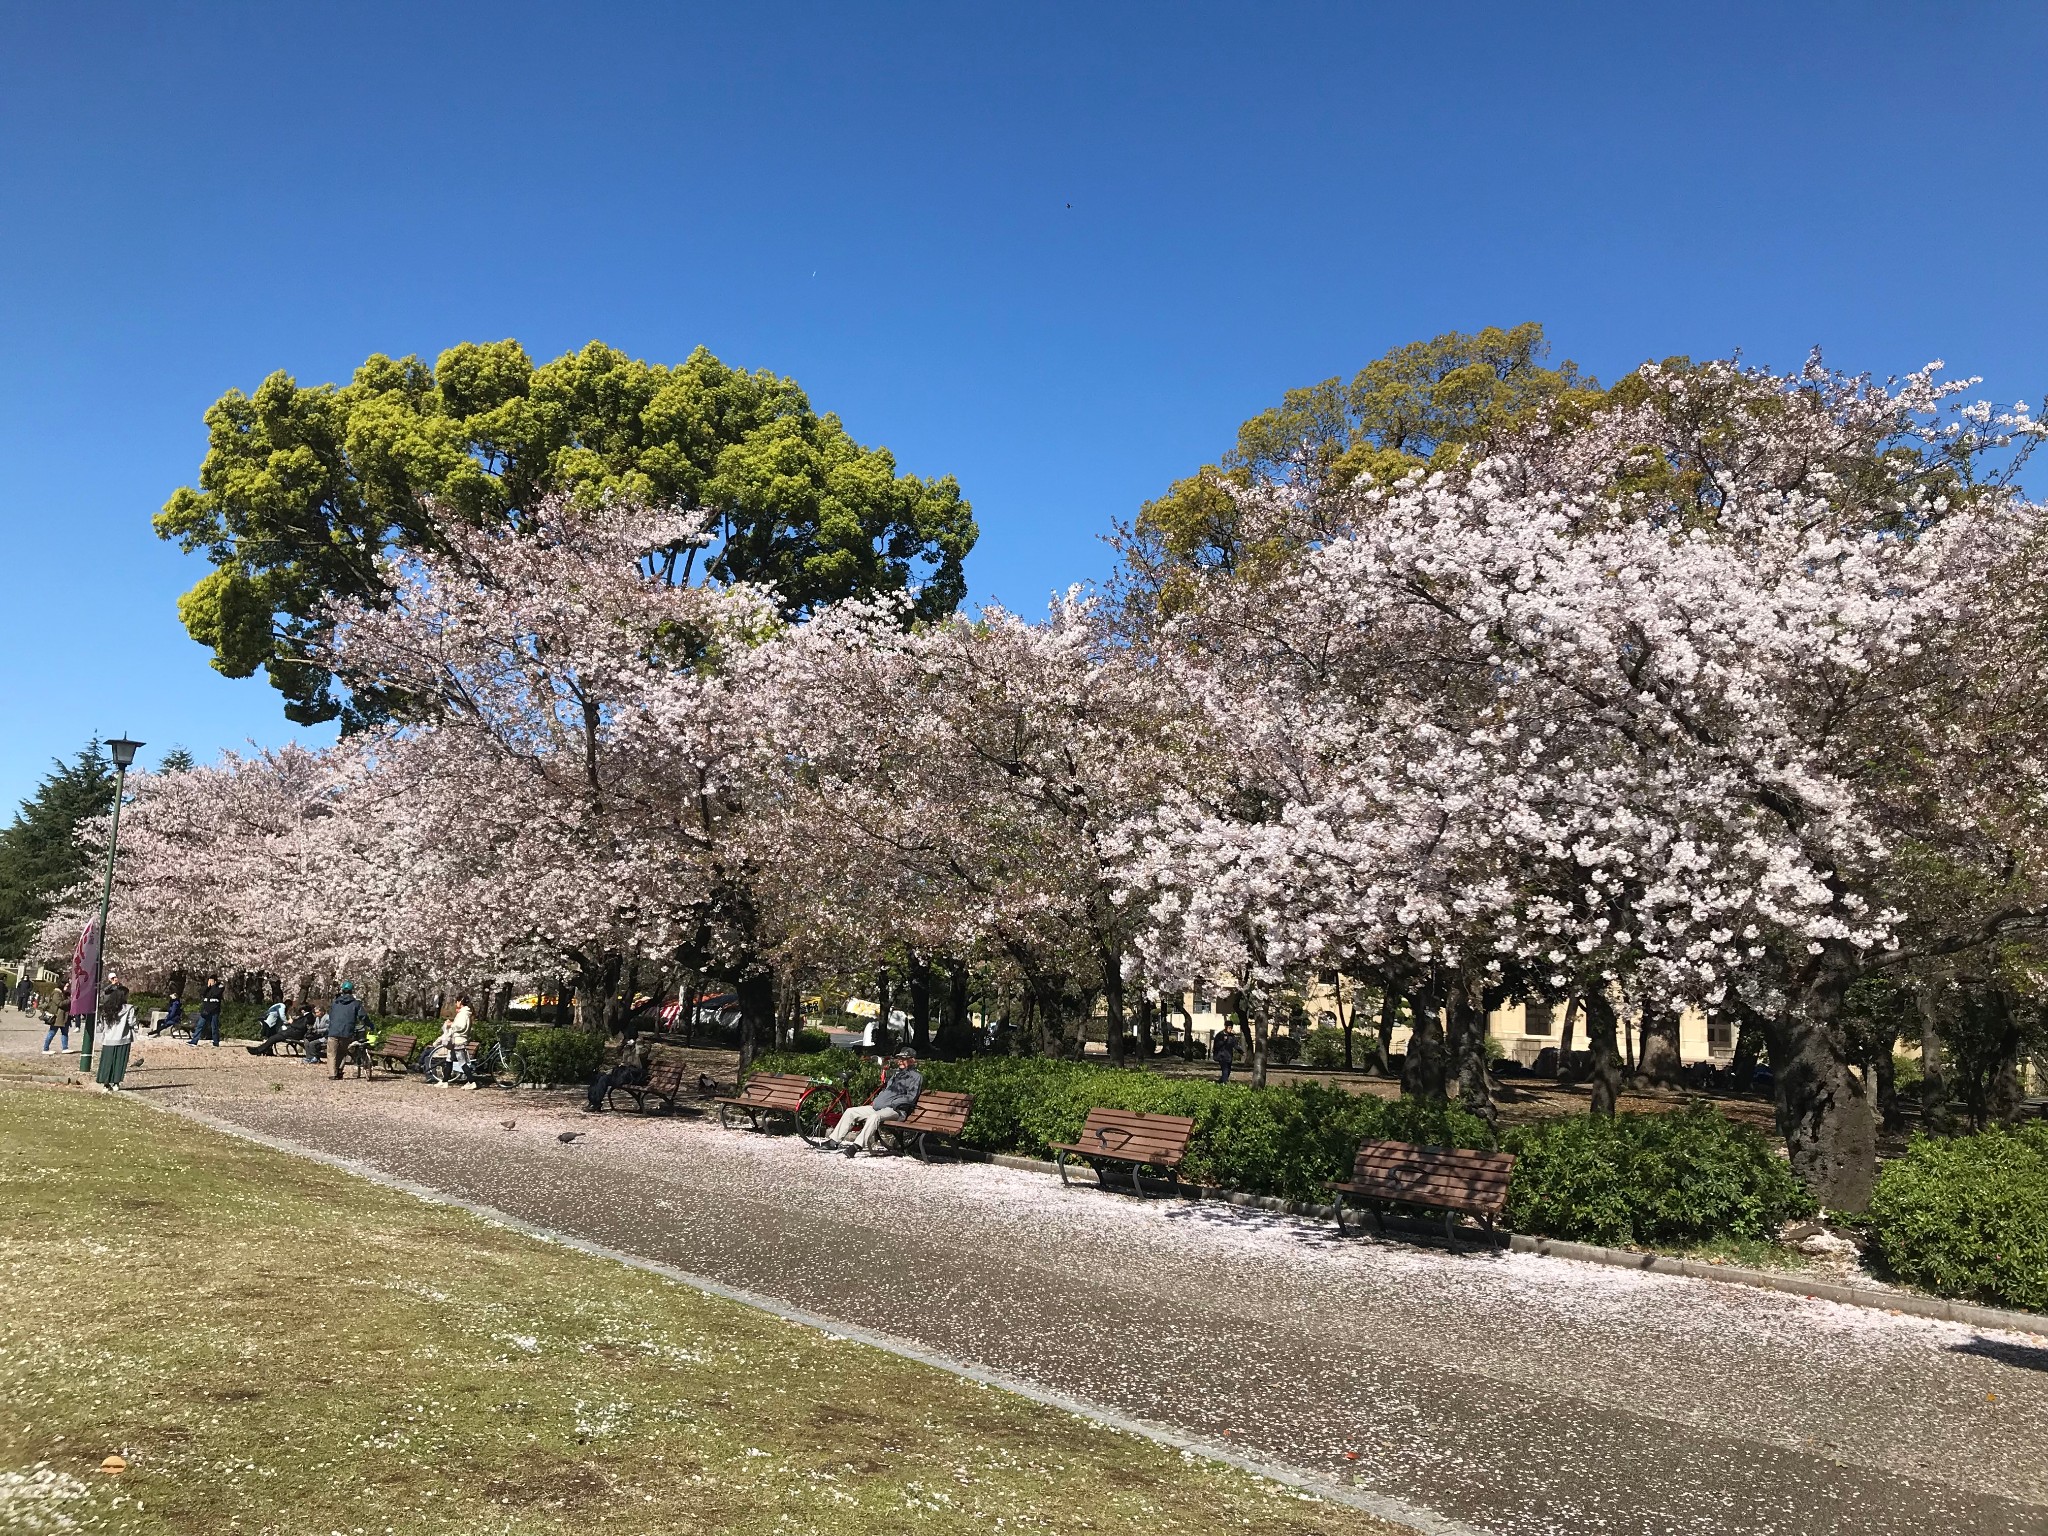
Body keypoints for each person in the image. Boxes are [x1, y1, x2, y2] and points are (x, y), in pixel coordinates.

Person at [826, 1047, 922, 1157]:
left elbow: (910, 1097)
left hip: (896, 1110)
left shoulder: (916, 1077)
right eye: (899, 1058)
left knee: (874, 1117)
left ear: (912, 1061)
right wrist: (878, 1100)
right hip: (879, 1107)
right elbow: (887, 1091)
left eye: (903, 1058)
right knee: (850, 1112)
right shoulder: (897, 1075)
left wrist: (892, 1102)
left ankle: (856, 1146)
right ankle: (833, 1142)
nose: (900, 1060)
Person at [585, 1031, 649, 1112]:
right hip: (624, 1072)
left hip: (635, 1075)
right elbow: (618, 1052)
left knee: (604, 1079)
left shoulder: (645, 1045)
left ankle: (596, 1103)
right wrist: (623, 1044)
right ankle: (592, 1101)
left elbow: (641, 1053)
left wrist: (638, 1043)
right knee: (598, 1076)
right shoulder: (627, 1046)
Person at [420, 995, 475, 1086]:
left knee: (462, 1062)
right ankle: (445, 1081)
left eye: (457, 1001)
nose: (456, 1003)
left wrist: (451, 1025)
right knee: (449, 1059)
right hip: (455, 1040)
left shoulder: (463, 1013)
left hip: (459, 1040)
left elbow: (461, 1026)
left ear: (460, 1002)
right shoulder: (463, 1013)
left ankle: (471, 1081)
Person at [324, 981, 370, 1080]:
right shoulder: (355, 1004)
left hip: (333, 1030)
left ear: (342, 991)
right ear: (351, 991)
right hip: (346, 1031)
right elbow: (363, 1016)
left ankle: (332, 1074)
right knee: (342, 1052)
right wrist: (370, 1025)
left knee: (331, 1053)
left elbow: (331, 1015)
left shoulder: (336, 1003)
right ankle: (339, 1070)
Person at [94, 982, 136, 1090]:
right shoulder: (129, 1008)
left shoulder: (106, 1008)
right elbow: (131, 1023)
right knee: (120, 1061)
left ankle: (105, 1084)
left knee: (107, 1062)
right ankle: (116, 1083)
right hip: (123, 1038)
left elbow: (102, 1025)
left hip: (109, 1039)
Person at [190, 975, 224, 1047]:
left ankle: (215, 1042)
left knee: (214, 1026)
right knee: (200, 1025)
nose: (210, 982)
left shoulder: (220, 987)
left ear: (215, 981)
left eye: (211, 980)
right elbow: (202, 993)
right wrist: (208, 986)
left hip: (214, 1010)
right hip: (206, 1010)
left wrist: (213, 986)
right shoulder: (207, 988)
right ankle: (194, 1041)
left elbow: (216, 993)